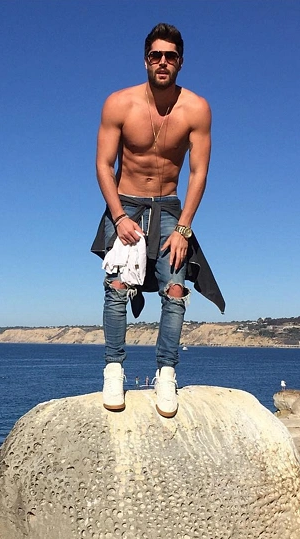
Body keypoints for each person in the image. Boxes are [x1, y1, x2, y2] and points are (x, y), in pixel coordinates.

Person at [91, 23, 224, 417]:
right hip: (126, 205)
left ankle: (166, 374)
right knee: (117, 285)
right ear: (145, 60)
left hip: (169, 208)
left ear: (180, 61)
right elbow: (104, 164)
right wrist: (118, 217)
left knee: (176, 289)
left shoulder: (196, 109)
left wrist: (184, 227)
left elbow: (199, 173)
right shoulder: (119, 103)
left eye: (170, 56)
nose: (162, 62)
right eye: (156, 55)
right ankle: (114, 370)